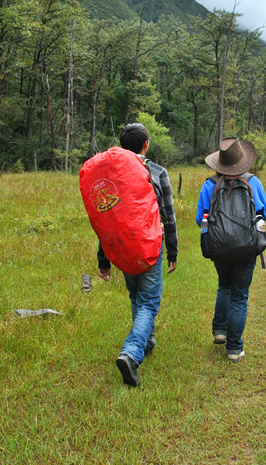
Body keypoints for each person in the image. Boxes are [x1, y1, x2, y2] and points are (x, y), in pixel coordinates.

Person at [97, 123, 178, 387]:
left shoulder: (112, 177)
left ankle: (146, 342)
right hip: (150, 246)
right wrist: (173, 251)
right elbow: (168, 216)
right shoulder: (156, 171)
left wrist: (104, 259)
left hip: (122, 247)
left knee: (136, 296)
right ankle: (131, 353)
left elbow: (107, 220)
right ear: (146, 144)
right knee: (149, 303)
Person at [195, 137, 266, 362]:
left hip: (219, 247)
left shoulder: (209, 184)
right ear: (242, 161)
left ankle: (219, 331)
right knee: (240, 296)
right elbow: (263, 214)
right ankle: (234, 348)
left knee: (224, 286)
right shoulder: (253, 182)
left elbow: (201, 219)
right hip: (247, 247)